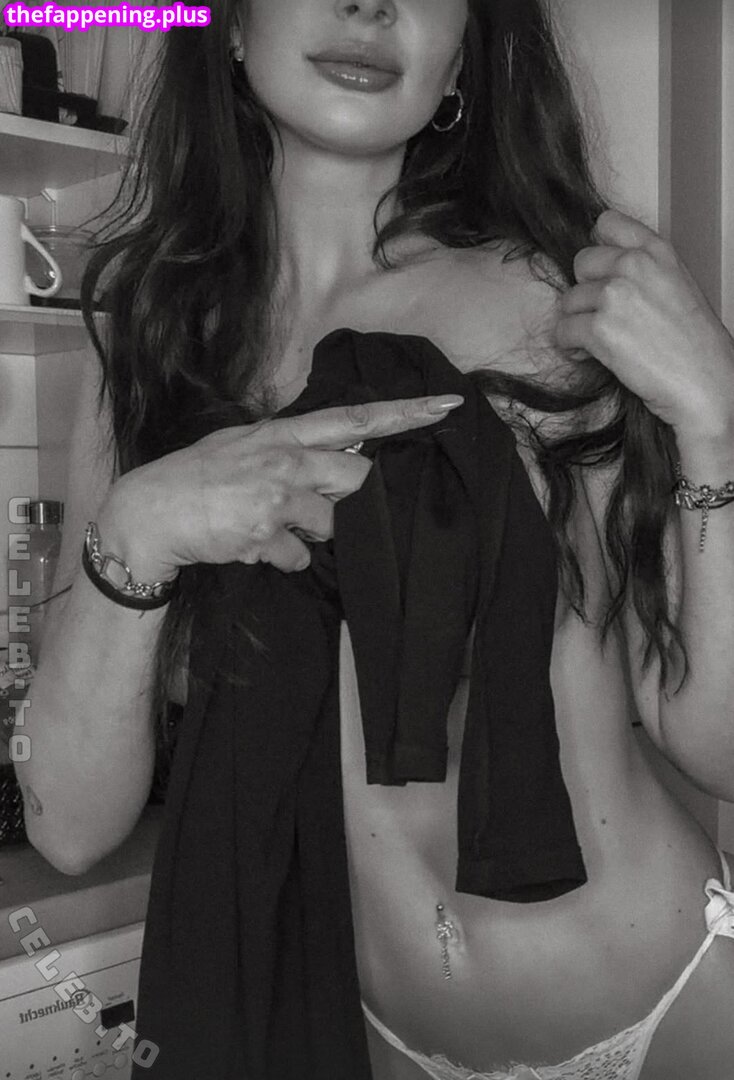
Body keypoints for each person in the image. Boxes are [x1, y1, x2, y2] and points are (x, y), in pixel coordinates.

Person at [13, 1, 734, 1077]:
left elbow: (716, 745)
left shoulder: (560, 294)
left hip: (663, 1007)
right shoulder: (157, 344)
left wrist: (716, 418)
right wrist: (139, 528)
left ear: (462, 56)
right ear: (230, 28)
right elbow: (68, 825)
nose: (369, 6)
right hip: (379, 1042)